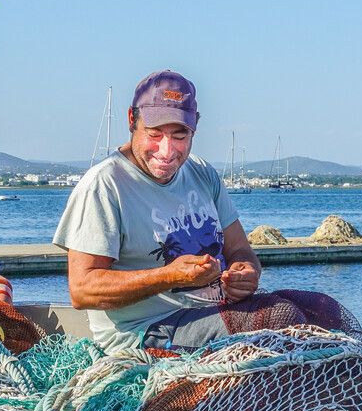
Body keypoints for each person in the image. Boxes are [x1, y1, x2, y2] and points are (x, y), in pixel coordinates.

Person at [52, 70, 262, 353]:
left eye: (179, 136)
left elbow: (240, 250)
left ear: (195, 127)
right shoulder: (104, 185)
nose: (167, 151)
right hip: (145, 333)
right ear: (132, 120)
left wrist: (246, 272)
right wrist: (169, 276)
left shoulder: (202, 173)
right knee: (277, 319)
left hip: (216, 312)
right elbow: (82, 289)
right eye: (155, 134)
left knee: (311, 307)